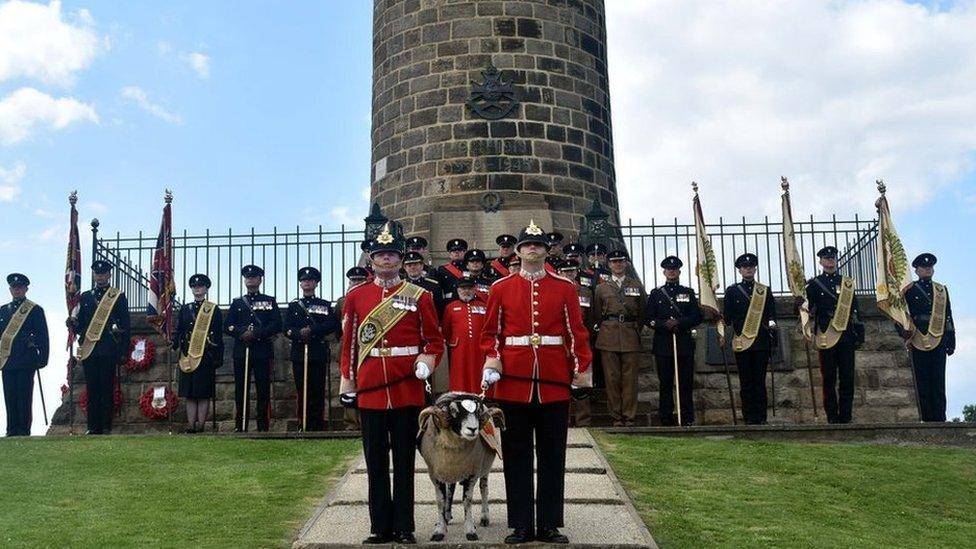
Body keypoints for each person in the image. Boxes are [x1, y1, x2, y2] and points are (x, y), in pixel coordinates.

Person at [480, 220, 592, 545]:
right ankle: (521, 524)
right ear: (518, 251)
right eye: (527, 245)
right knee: (516, 454)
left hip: (553, 380)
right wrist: (493, 360)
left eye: (539, 245)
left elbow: (576, 333)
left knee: (552, 454)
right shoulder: (500, 288)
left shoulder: (565, 287)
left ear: (546, 251)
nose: (533, 249)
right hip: (514, 381)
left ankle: (548, 524)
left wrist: (580, 371)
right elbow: (491, 333)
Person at [339, 225, 444, 545]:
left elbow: (434, 341)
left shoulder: (420, 296)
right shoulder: (356, 296)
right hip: (370, 388)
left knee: (404, 461)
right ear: (371, 260)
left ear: (401, 260)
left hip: (405, 388)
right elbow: (350, 346)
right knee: (375, 461)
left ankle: (404, 526)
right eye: (381, 254)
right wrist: (348, 381)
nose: (387, 259)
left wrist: (426, 361)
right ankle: (379, 527)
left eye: (392, 255)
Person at [71, 260, 130, 435]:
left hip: (108, 348)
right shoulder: (86, 297)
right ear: (94, 275)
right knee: (92, 389)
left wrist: (123, 351)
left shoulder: (117, 296)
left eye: (104, 273)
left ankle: (105, 426)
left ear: (109, 275)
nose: (101, 276)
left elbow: (125, 326)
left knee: (106, 388)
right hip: (90, 348)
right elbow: (81, 324)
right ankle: (92, 426)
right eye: (98, 273)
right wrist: (73, 324)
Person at [806, 246, 863, 424]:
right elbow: (807, 309)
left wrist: (859, 333)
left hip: (846, 334)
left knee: (847, 377)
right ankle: (832, 417)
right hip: (826, 334)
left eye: (832, 258)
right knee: (828, 378)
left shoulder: (847, 283)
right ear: (821, 262)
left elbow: (855, 310)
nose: (830, 261)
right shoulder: (814, 284)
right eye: (826, 258)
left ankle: (846, 417)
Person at [645, 256, 702, 426]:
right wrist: (665, 324)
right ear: (664, 272)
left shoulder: (688, 292)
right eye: (669, 269)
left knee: (685, 382)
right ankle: (666, 417)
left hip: (683, 343)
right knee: (665, 383)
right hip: (663, 344)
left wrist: (679, 322)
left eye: (675, 269)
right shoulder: (656, 294)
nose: (672, 271)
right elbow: (649, 318)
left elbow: (697, 316)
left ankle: (686, 417)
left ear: (679, 271)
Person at [225, 265, 281, 432]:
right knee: (241, 388)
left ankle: (263, 425)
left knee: (263, 388)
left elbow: (277, 324)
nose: (250, 279)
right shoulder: (237, 303)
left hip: (262, 350)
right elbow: (227, 325)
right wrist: (241, 332)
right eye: (248, 277)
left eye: (254, 276)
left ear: (260, 280)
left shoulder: (269, 301)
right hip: (242, 351)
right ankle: (240, 425)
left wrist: (256, 333)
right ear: (244, 280)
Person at [593, 250, 646, 426]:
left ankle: (629, 417)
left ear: (626, 264)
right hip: (609, 336)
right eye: (614, 262)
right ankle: (616, 417)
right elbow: (597, 314)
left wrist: (634, 327)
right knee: (612, 378)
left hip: (630, 335)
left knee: (630, 380)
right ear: (609, 265)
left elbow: (642, 313)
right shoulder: (601, 288)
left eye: (621, 262)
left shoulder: (636, 286)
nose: (618, 265)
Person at [722, 253, 777, 425]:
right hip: (742, 340)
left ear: (755, 269)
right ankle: (749, 417)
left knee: (759, 381)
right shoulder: (732, 291)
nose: (748, 269)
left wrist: (771, 325)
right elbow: (728, 317)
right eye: (745, 267)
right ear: (740, 270)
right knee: (746, 382)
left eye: (751, 266)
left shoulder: (764, 291)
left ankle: (761, 417)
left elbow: (772, 315)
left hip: (760, 341)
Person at [284, 267, 340, 431]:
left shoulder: (324, 305)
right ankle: (303, 422)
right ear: (300, 283)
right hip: (299, 353)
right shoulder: (293, 306)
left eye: (310, 280)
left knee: (317, 390)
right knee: (302, 390)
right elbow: (286, 328)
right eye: (304, 280)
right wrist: (299, 333)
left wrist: (313, 331)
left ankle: (317, 424)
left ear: (316, 283)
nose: (307, 282)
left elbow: (331, 324)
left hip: (317, 352)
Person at [902, 253, 955, 422]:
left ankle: (940, 418)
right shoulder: (909, 290)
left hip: (938, 338)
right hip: (918, 338)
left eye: (930, 267)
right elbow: (902, 314)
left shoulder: (941, 290)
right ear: (916, 270)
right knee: (922, 381)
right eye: (924, 267)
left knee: (938, 380)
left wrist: (951, 339)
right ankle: (927, 418)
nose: (928, 269)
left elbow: (947, 316)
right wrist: (904, 333)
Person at [172, 274, 223, 433]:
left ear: (206, 289)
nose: (197, 289)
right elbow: (179, 330)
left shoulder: (213, 309)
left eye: (200, 286)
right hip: (188, 354)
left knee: (203, 392)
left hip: (205, 354)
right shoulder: (185, 309)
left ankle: (200, 425)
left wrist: (217, 356)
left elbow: (218, 334)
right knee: (190, 392)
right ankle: (190, 424)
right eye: (194, 286)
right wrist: (174, 342)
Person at [0, 273, 49, 436]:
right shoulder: (2, 311)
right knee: (10, 396)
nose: (17, 290)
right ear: (10, 289)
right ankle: (11, 429)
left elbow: (43, 336)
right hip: (7, 360)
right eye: (14, 288)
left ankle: (23, 429)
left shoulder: (35, 310)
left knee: (24, 396)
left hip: (27, 360)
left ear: (26, 288)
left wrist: (43, 358)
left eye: (20, 287)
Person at [555, 259, 596, 427]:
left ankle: (583, 421)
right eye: (564, 272)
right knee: (561, 381)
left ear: (576, 272)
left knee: (582, 381)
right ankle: (562, 420)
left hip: (581, 341)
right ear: (559, 273)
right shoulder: (554, 291)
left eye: (571, 271)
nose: (568, 274)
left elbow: (594, 317)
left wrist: (588, 339)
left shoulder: (585, 292)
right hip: (560, 342)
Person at [335, 266, 369, 431]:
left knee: (365, 382)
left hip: (365, 346)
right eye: (353, 280)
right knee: (348, 383)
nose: (356, 283)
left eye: (359, 280)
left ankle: (366, 419)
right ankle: (351, 422)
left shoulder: (370, 297)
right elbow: (337, 325)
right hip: (347, 347)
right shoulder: (342, 301)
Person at [441, 276, 488, 393]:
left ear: (474, 289)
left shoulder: (483, 306)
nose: (466, 291)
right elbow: (446, 330)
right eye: (463, 288)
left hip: (479, 347)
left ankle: (481, 394)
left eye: (469, 288)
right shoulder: (450, 307)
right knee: (460, 373)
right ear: (457, 290)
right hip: (459, 348)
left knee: (478, 371)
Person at [437, 238, 468, 305]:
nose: (456, 252)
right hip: (449, 303)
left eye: (460, 250)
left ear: (465, 252)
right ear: (450, 253)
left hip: (467, 301)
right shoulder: (442, 270)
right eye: (453, 251)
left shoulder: (470, 268)